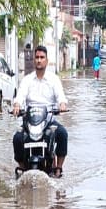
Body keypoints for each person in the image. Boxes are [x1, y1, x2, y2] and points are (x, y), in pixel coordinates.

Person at [12, 45, 69, 178]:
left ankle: (59, 168)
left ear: (46, 61)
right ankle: (22, 167)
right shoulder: (27, 80)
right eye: (37, 57)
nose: (39, 60)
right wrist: (16, 105)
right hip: (30, 120)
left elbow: (61, 96)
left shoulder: (53, 79)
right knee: (17, 138)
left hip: (48, 119)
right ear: (33, 60)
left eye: (42, 57)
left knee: (62, 134)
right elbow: (20, 95)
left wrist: (62, 104)